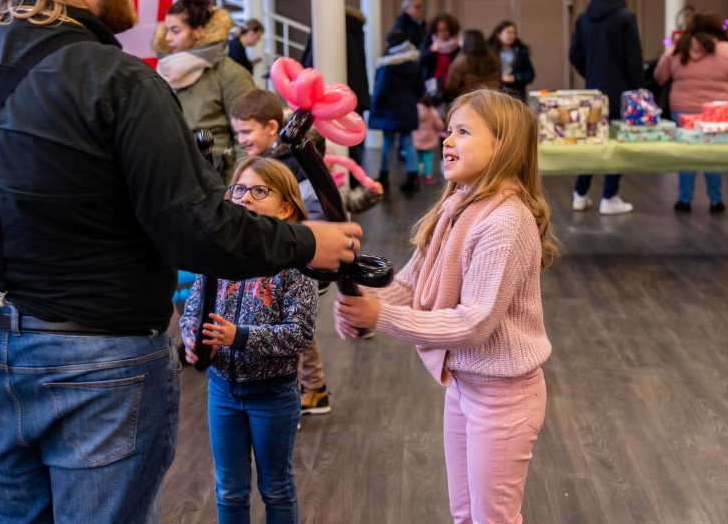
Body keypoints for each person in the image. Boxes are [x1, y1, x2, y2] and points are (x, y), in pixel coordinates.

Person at [0, 0, 360, 524]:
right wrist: (308, 241)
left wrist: (3, 246)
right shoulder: (121, 80)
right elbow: (198, 231)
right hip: (98, 367)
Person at [334, 89, 555, 524]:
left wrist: (381, 316)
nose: (447, 140)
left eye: (463, 132)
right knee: (465, 515)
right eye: (449, 130)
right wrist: (365, 300)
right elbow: (411, 282)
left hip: (504, 396)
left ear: (504, 145)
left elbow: (474, 323)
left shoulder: (506, 221)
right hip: (463, 385)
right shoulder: (457, 204)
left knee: (493, 519)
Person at [180, 156, 318, 524]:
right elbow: (193, 310)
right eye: (238, 189)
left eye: (259, 191)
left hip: (272, 395)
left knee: (275, 487)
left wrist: (238, 337)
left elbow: (300, 333)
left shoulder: (295, 265)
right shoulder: (218, 255)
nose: (244, 197)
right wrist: (192, 339)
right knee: (228, 488)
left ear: (286, 207)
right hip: (221, 392)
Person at [230, 88, 382, 414]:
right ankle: (314, 389)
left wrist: (309, 255)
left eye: (246, 131)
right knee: (295, 327)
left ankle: (295, 394)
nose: (241, 139)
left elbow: (320, 216)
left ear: (272, 127)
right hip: (289, 257)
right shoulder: (269, 165)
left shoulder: (292, 169)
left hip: (302, 261)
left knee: (291, 329)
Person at [154, 0, 256, 182]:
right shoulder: (163, 73)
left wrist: (239, 186)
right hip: (174, 175)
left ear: (198, 31)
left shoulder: (231, 74)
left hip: (217, 177)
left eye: (176, 31)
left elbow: (247, 137)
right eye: (166, 30)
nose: (168, 38)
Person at [655, 10, 728, 213]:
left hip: (682, 110)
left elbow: (659, 76)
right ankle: (716, 201)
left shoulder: (678, 49)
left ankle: (684, 200)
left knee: (686, 155)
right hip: (718, 112)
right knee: (714, 155)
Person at [569, 0, 643, 215]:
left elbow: (574, 55)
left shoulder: (584, 18)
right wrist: (638, 88)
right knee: (616, 145)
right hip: (621, 93)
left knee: (592, 143)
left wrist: (591, 74)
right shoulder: (626, 17)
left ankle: (580, 194)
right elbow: (633, 57)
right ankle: (609, 197)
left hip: (593, 92)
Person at [301, 7, 371, 186]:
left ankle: (338, 183)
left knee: (330, 137)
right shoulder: (356, 30)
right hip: (355, 92)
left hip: (330, 96)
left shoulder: (327, 27)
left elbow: (309, 60)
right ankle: (354, 182)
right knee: (354, 138)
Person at [371, 29, 426, 193]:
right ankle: (412, 178)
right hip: (408, 107)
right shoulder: (414, 64)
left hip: (390, 109)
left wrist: (376, 106)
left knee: (388, 142)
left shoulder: (386, 65)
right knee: (408, 142)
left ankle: (384, 177)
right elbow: (420, 89)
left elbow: (381, 90)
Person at [445, 29, 502, 98]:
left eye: (461, 39)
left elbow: (452, 87)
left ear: (466, 42)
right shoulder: (494, 58)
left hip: (469, 99)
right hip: (492, 97)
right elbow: (498, 80)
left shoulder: (460, 62)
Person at [487, 21, 535, 102]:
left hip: (516, 94)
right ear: (498, 34)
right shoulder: (489, 52)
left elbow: (530, 74)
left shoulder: (521, 52)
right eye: (508, 32)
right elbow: (484, 75)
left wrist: (515, 78)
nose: (512, 35)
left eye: (514, 33)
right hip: (494, 94)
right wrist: (499, 78)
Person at [420, 12, 461, 97]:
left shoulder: (458, 44)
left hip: (452, 88)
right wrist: (431, 50)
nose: (441, 33)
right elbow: (420, 61)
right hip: (432, 87)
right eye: (439, 30)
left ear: (451, 29)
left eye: (445, 30)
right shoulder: (430, 40)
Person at [412, 93, 445, 186]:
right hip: (428, 139)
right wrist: (440, 128)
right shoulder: (431, 110)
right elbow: (438, 124)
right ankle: (429, 176)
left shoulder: (414, 109)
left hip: (416, 139)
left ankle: (417, 175)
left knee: (417, 158)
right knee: (428, 159)